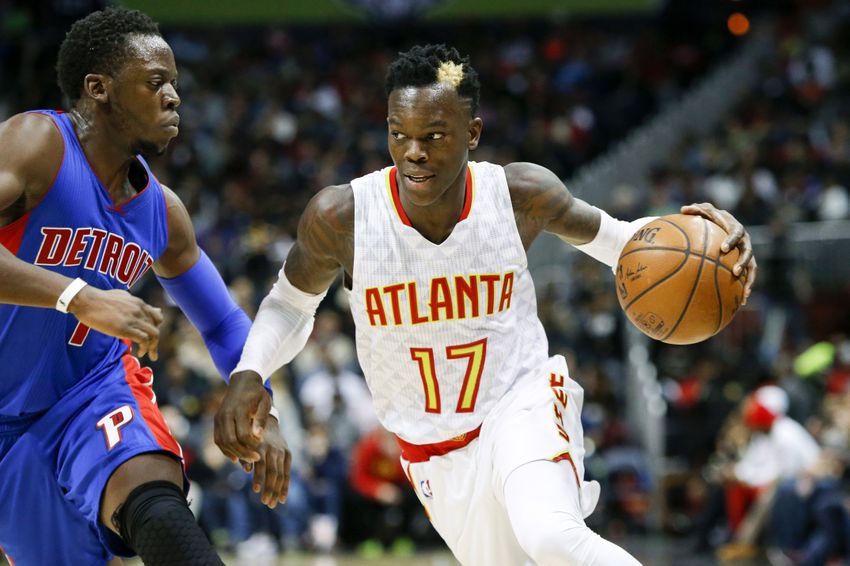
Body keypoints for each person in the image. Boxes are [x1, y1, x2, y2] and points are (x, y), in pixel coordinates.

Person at [217, 44, 757, 565]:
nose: (413, 152)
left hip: (518, 404)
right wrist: (249, 371)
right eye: (399, 134)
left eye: (433, 136)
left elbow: (623, 243)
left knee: (552, 536)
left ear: (472, 133)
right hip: (432, 451)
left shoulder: (519, 194)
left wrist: (710, 244)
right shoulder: (343, 216)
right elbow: (290, 304)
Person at [0, 8, 290, 565]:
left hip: (90, 392)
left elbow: (223, 323)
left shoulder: (163, 212)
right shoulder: (37, 142)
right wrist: (77, 297)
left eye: (174, 84)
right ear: (99, 89)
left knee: (154, 498)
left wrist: (261, 403)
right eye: (156, 82)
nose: (174, 97)